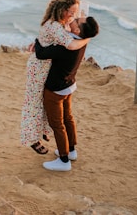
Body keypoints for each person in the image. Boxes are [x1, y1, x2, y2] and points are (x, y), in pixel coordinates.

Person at [20, 0, 90, 155]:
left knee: (46, 104)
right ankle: (32, 138)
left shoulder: (62, 23)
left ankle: (44, 131)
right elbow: (71, 45)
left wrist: (37, 42)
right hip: (39, 69)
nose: (73, 16)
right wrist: (88, 39)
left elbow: (50, 39)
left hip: (48, 67)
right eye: (71, 12)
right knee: (34, 104)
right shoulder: (54, 27)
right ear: (61, 10)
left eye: (75, 12)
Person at [34, 16, 99, 171]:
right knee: (68, 118)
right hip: (69, 85)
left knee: (57, 124)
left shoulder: (67, 46)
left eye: (77, 20)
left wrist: (38, 40)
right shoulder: (82, 42)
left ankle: (63, 160)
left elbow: (41, 53)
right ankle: (71, 150)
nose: (74, 18)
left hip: (56, 89)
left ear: (77, 30)